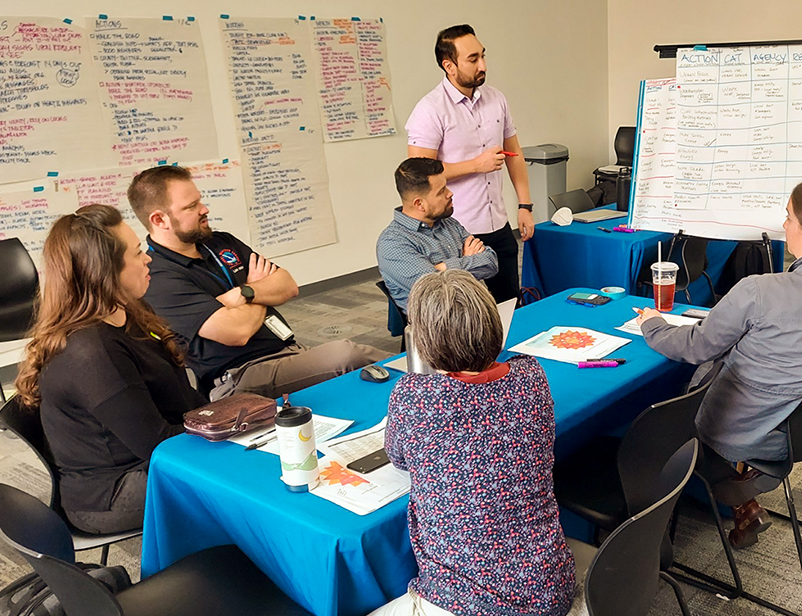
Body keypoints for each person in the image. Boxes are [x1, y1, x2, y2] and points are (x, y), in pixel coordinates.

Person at [636, 176, 802, 548]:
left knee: (652, 421)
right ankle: (743, 499)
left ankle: (657, 535)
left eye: (789, 218)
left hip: (748, 430)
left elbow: (696, 347)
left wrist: (653, 325)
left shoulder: (761, 292)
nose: (784, 226)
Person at [337, 270, 575, 616]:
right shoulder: (532, 376)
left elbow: (397, 456)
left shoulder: (415, 396)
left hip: (478, 612)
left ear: (424, 342)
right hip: (549, 582)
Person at [13, 205, 206, 534]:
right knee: (240, 482)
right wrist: (226, 430)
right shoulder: (92, 352)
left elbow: (178, 398)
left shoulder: (129, 310)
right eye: (137, 253)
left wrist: (228, 417)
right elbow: (158, 445)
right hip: (112, 493)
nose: (148, 259)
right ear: (105, 271)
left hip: (151, 458)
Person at [127, 165, 388, 400]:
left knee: (361, 384)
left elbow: (288, 285)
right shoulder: (158, 277)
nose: (204, 209)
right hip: (240, 376)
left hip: (289, 351)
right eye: (191, 206)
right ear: (159, 220)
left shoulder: (220, 242)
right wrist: (260, 290)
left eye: (200, 201)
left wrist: (245, 292)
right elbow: (237, 332)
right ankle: (423, 381)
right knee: (348, 355)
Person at [405, 24, 534, 304]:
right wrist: (476, 165)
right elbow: (418, 175)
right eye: (473, 59)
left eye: (483, 56)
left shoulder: (496, 99)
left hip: (499, 225)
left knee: (510, 306)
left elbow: (515, 155)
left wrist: (525, 205)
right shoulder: (430, 110)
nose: (483, 65)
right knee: (462, 315)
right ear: (449, 66)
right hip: (455, 231)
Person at [377, 157, 498, 310]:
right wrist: (467, 260)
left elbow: (490, 262)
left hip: (476, 312)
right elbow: (435, 288)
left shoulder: (448, 223)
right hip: (436, 328)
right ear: (419, 204)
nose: (450, 193)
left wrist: (442, 268)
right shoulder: (393, 243)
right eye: (441, 191)